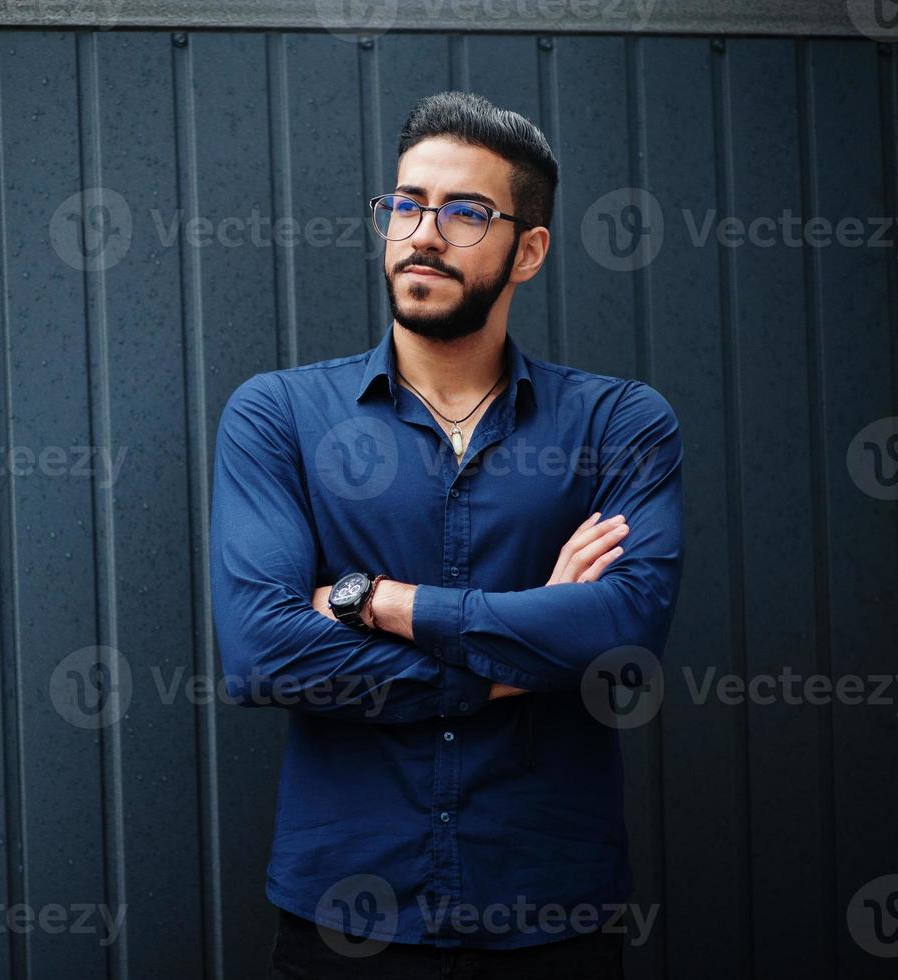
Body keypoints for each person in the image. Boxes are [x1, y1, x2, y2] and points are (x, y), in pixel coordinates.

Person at [208, 90, 684, 979]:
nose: (423, 233)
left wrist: (377, 601)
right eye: (406, 204)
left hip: (551, 913)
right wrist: (524, 650)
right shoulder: (279, 415)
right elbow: (261, 653)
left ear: (528, 250)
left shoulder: (619, 424)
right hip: (345, 918)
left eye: (466, 213)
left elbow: (620, 638)